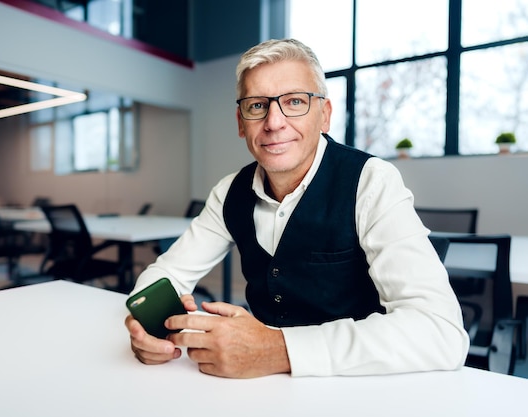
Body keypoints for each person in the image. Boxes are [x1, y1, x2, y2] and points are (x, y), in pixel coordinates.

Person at [125, 38, 469, 378]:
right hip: (261, 390)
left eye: (294, 101)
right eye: (257, 106)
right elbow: (166, 274)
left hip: (360, 386)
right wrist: (148, 329)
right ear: (241, 122)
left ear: (324, 115)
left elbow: (440, 332)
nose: (274, 122)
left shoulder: (371, 181)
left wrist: (276, 350)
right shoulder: (229, 191)